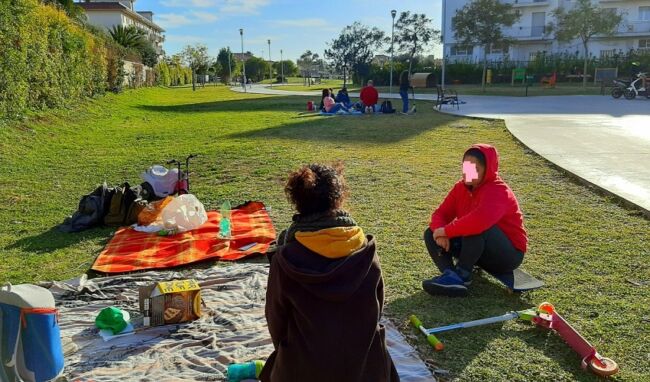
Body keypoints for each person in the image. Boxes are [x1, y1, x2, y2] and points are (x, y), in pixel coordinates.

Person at [260, 163, 399, 382]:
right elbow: (376, 312)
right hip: (366, 372)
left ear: (298, 203)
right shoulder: (366, 251)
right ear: (339, 199)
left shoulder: (285, 259)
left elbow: (277, 324)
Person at [422, 144, 528, 297]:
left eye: (475, 169)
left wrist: (446, 231)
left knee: (477, 228)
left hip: (507, 255)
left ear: (488, 169)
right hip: (476, 249)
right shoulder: (460, 187)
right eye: (466, 167)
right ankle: (451, 276)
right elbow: (441, 213)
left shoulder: (498, 191)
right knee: (430, 233)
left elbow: (479, 221)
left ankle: (462, 275)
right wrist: (440, 232)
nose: (468, 173)